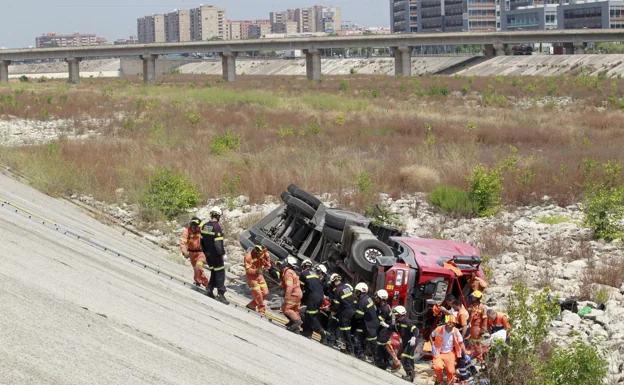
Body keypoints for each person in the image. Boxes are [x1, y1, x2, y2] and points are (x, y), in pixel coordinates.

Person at [200, 207, 229, 305]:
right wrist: (222, 254)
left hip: (208, 254)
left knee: (213, 271)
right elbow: (218, 244)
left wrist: (205, 252)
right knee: (220, 272)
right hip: (216, 255)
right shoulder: (217, 228)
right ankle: (220, 294)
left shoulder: (205, 226)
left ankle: (209, 289)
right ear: (218, 216)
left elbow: (202, 241)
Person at [430, 315, 469, 385]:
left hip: (449, 353)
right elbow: (430, 335)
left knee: (451, 371)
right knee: (437, 367)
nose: (451, 325)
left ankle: (450, 382)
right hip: (439, 352)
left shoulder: (456, 331)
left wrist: (465, 351)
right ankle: (439, 379)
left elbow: (461, 342)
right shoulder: (439, 329)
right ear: (446, 323)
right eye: (449, 323)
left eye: (452, 324)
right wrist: (433, 346)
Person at [299, 260, 327, 343]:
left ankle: (323, 333)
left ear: (303, 266)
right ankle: (308, 332)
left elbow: (300, 288)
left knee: (310, 315)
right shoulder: (315, 275)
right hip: (320, 297)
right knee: (308, 313)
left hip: (313, 297)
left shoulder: (303, 274)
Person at [328, 274, 356, 355]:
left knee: (344, 330)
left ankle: (350, 349)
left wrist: (331, 308)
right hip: (350, 311)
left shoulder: (338, 289)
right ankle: (332, 341)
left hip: (344, 311)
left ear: (334, 282)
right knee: (344, 328)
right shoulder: (346, 287)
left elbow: (336, 304)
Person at [179, 217, 209, 288]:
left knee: (198, 267)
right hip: (192, 254)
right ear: (193, 226)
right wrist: (185, 252)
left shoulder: (201, 231)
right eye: (198, 227)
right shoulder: (187, 231)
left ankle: (205, 284)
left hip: (201, 253)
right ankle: (200, 283)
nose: (200, 228)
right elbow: (182, 242)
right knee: (197, 269)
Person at [374, 290, 401, 370]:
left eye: (377, 298)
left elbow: (378, 320)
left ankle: (388, 361)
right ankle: (384, 362)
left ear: (381, 298)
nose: (376, 299)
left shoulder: (385, 308)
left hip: (386, 329)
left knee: (380, 345)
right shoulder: (383, 306)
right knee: (382, 345)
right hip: (385, 327)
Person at [352, 282, 379, 361]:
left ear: (361, 292)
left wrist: (352, 313)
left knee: (372, 343)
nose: (356, 293)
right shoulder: (366, 297)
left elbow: (358, 315)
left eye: (357, 292)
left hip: (370, 325)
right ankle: (360, 354)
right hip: (367, 323)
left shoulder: (362, 301)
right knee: (359, 336)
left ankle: (379, 360)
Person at [392, 305, 419, 382]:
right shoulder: (400, 322)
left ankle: (410, 375)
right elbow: (396, 328)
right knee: (409, 359)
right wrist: (387, 326)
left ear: (400, 314)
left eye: (396, 315)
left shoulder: (407, 322)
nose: (395, 316)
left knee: (404, 358)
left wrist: (413, 337)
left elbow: (416, 330)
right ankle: (411, 376)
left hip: (411, 342)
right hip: (406, 342)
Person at [276, 256, 303, 332]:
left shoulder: (288, 272)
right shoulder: (291, 272)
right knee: (295, 311)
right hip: (298, 293)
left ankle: (297, 321)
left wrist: (287, 298)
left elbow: (290, 286)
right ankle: (296, 328)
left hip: (294, 293)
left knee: (286, 309)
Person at [244, 245, 272, 313]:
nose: (256, 251)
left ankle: (251, 305)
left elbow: (268, 265)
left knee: (265, 292)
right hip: (251, 277)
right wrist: (256, 270)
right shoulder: (248, 257)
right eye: (255, 249)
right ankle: (262, 309)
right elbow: (247, 270)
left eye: (259, 251)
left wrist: (265, 267)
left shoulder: (266, 255)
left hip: (259, 276)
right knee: (258, 293)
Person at [467, 290, 487, 363]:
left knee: (476, 343)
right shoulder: (471, 306)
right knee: (471, 343)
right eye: (472, 297)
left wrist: (483, 329)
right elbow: (468, 315)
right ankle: (475, 355)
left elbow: (485, 319)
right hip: (470, 326)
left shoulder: (482, 307)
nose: (472, 298)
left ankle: (479, 359)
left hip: (477, 327)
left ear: (478, 298)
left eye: (474, 297)